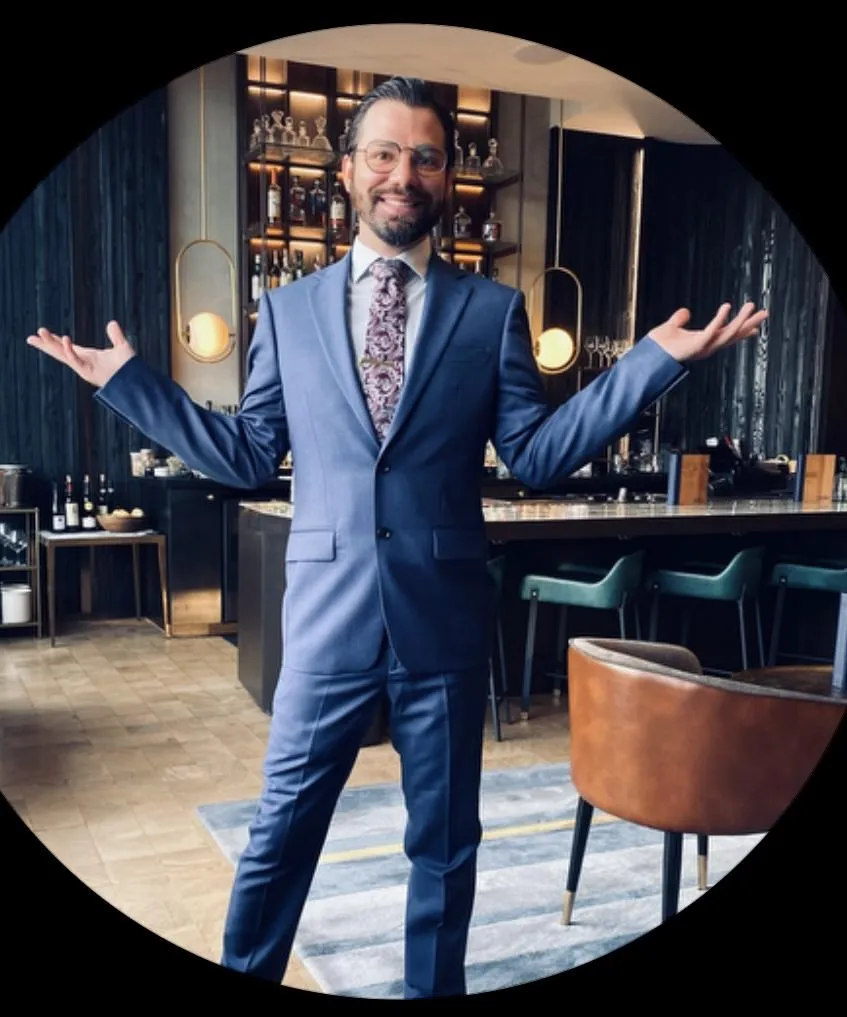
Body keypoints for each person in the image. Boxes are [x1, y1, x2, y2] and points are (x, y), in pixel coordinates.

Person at [27, 76, 766, 998]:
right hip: (326, 619)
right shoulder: (288, 311)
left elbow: (536, 455)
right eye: (382, 153)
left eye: (424, 156)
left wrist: (650, 362)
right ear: (346, 170)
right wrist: (130, 382)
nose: (402, 173)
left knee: (446, 844)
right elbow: (248, 453)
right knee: (280, 834)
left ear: (447, 175)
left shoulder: (491, 311)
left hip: (442, 617)